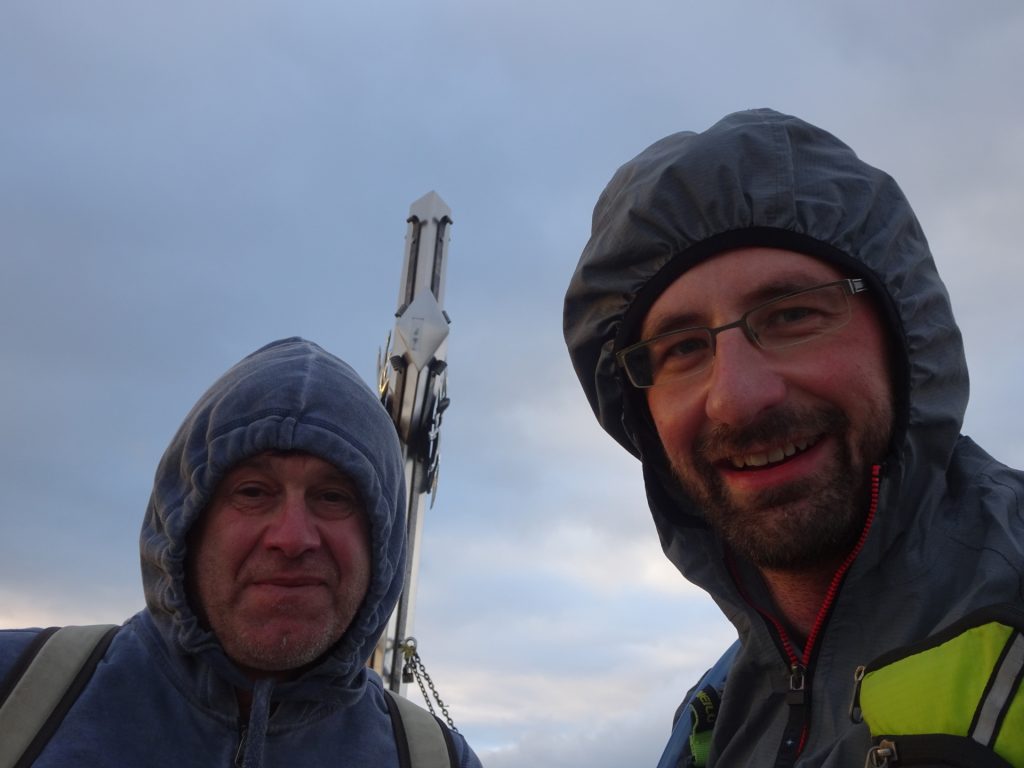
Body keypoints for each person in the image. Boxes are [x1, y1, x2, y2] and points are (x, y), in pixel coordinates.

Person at [563, 109, 1024, 766]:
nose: (738, 398)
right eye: (683, 348)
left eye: (792, 314)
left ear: (907, 340)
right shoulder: (710, 721)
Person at [0, 337, 482, 768]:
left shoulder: (436, 759)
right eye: (253, 492)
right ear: (187, 523)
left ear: (382, 543)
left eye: (333, 497)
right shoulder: (17, 694)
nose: (293, 538)